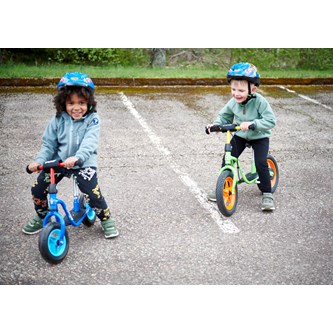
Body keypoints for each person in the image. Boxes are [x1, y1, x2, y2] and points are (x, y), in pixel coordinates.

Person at [22, 72, 119, 238]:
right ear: (63, 103)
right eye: (71, 103)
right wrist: (38, 161)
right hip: (59, 162)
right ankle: (42, 215)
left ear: (89, 102)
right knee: (37, 189)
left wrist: (78, 157)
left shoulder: (93, 119)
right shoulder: (58, 119)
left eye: (81, 102)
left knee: (92, 194)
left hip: (83, 163)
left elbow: (90, 141)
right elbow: (48, 143)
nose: (76, 107)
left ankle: (106, 219)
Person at [206, 62, 276, 211]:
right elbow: (224, 116)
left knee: (261, 163)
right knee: (228, 157)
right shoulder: (233, 102)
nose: (236, 93)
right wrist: (215, 125)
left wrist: (253, 124)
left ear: (253, 89)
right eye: (233, 89)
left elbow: (270, 121)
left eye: (241, 90)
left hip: (259, 136)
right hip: (241, 135)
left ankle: (267, 193)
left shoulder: (260, 102)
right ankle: (224, 185)